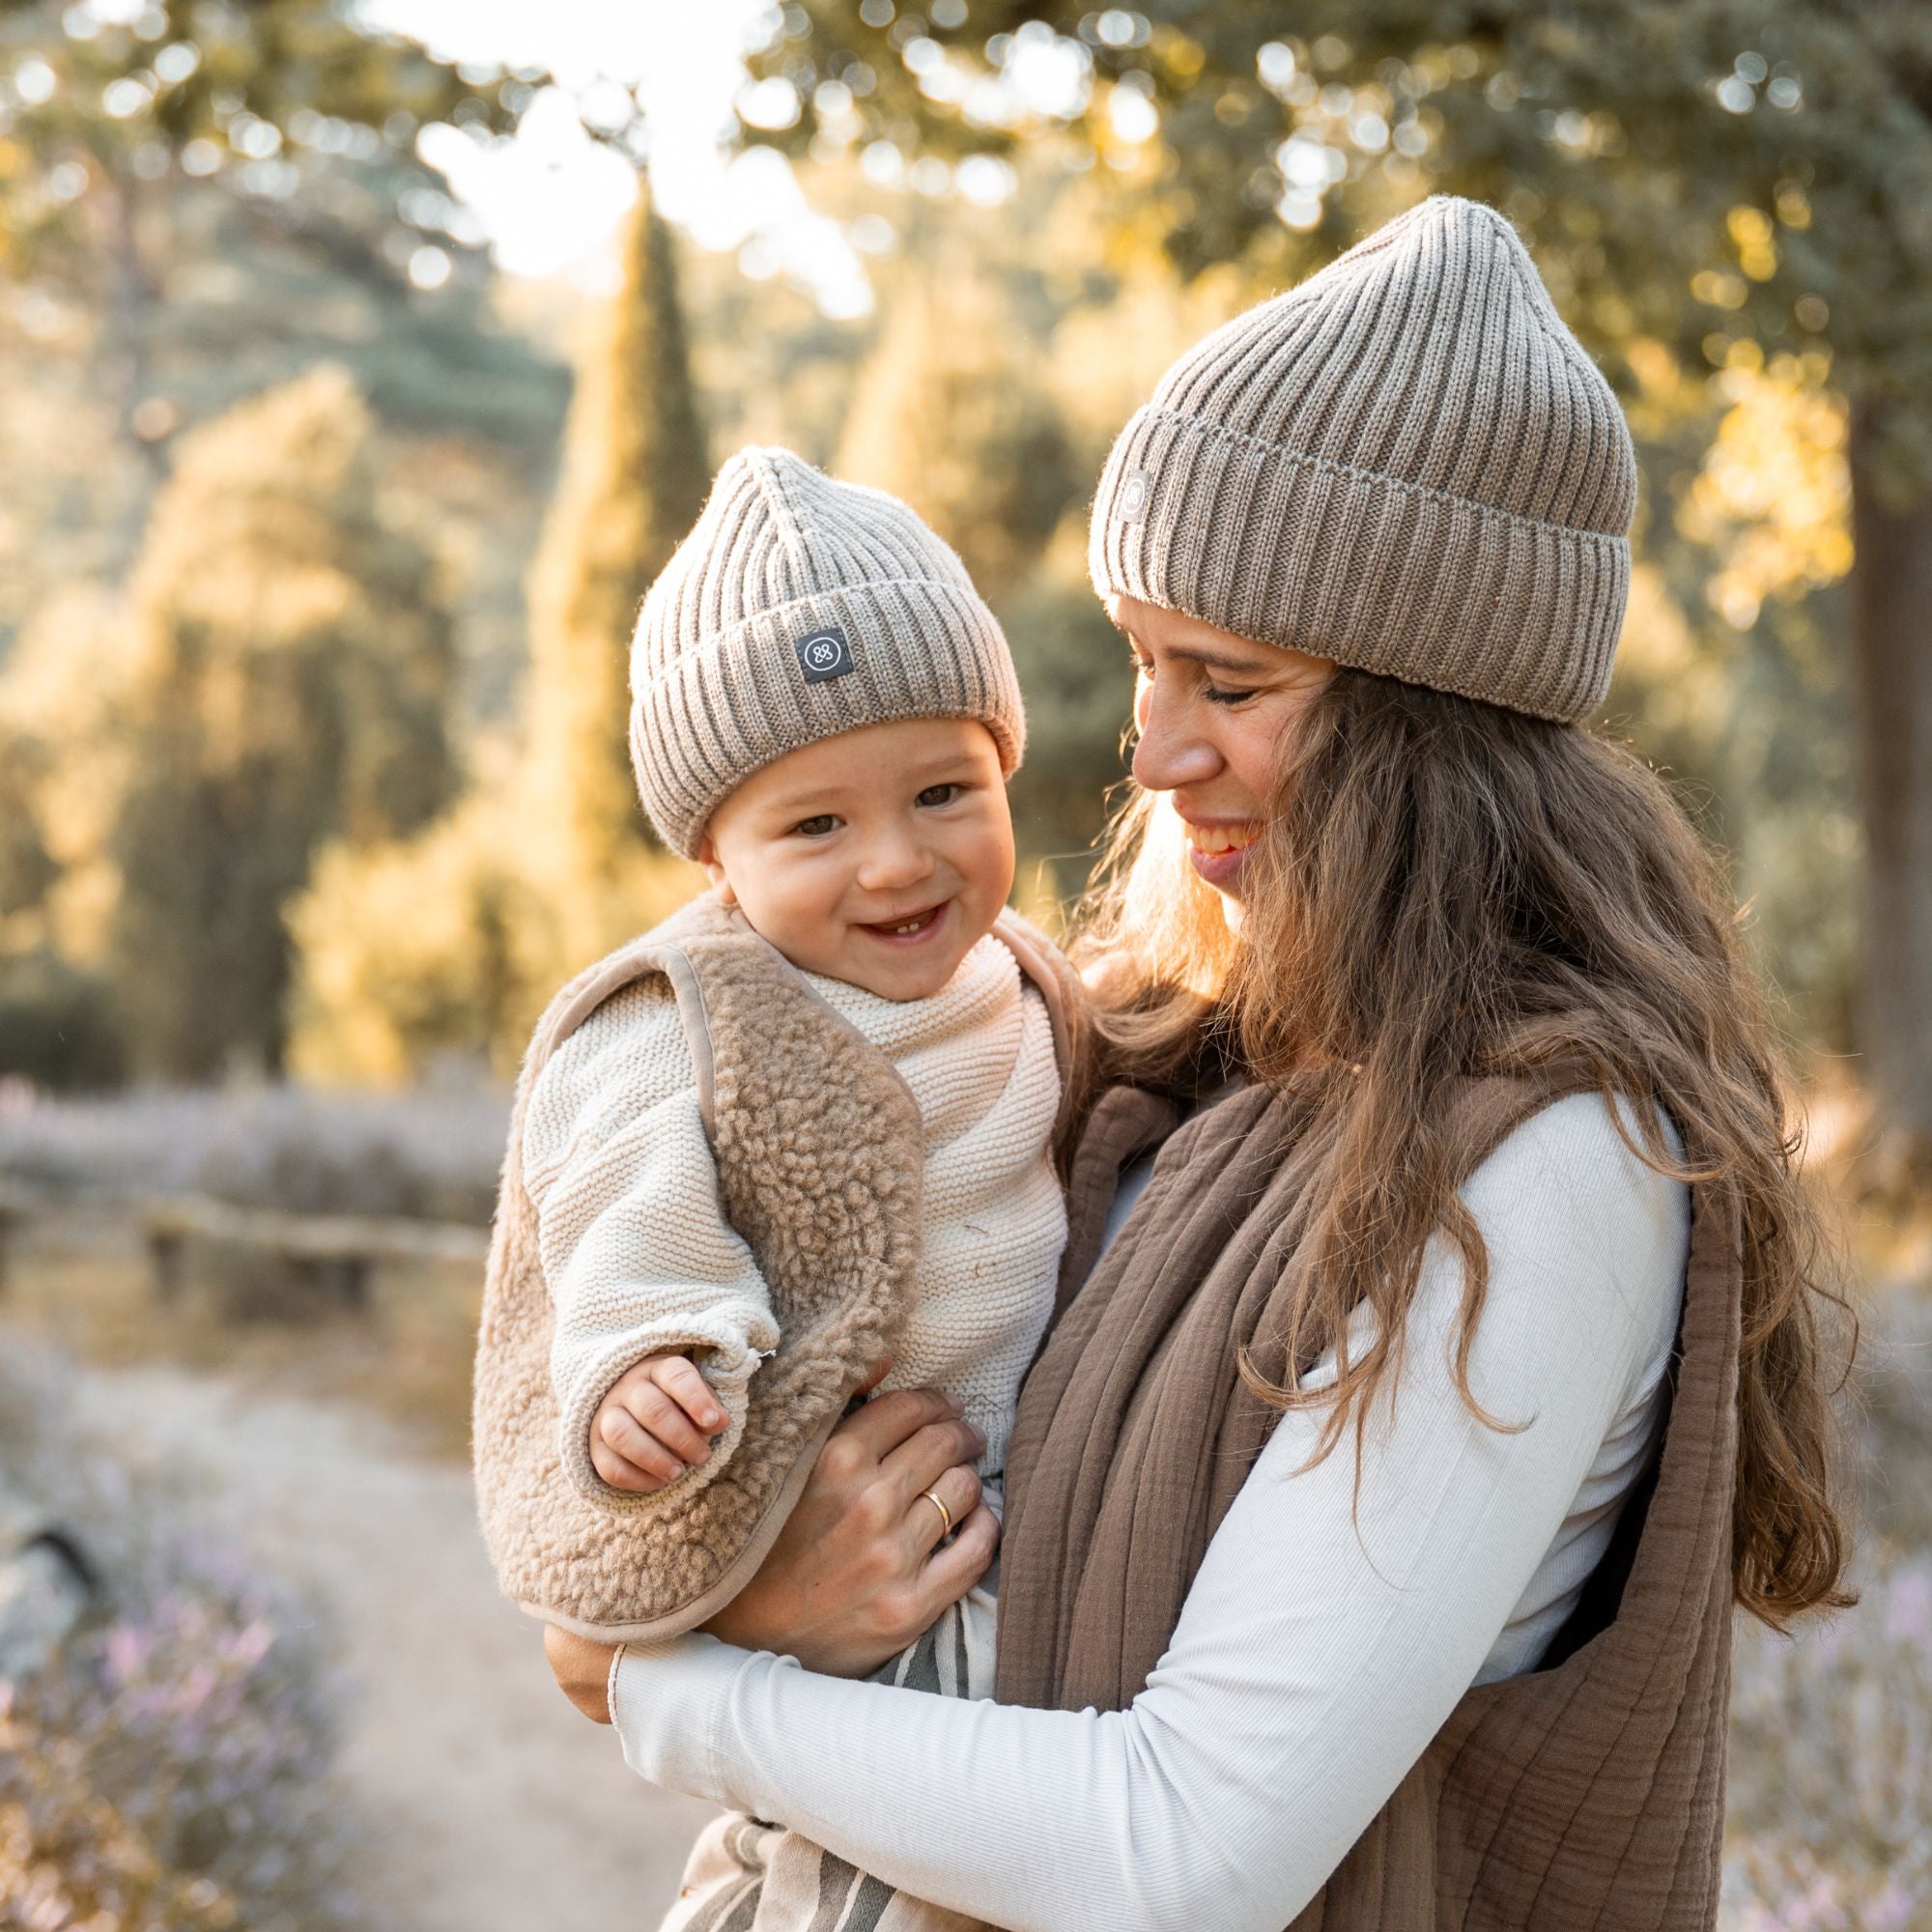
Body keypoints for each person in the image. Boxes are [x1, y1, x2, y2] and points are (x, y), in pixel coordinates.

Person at [547, 197, 1852, 1932]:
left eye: (1226, 682)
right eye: (1144, 663)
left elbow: (1182, 1855)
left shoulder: (1559, 1167)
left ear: (1427, 722)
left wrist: (664, 1683)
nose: (1152, 749)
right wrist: (742, 1584)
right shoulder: (1150, 1060)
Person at [474, 447, 1081, 1687]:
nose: (896, 861)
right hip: (820, 1539)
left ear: (1003, 768)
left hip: (1025, 1525)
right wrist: (647, 1363)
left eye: (943, 791)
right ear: (714, 857)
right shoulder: (681, 1017)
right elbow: (621, 1205)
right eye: (816, 824)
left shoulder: (1028, 978)